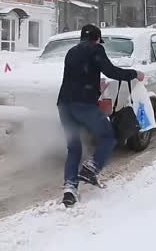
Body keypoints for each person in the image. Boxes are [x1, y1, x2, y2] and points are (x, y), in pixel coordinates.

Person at [57, 25, 144, 206]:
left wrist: (97, 88)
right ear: (96, 39)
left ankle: (70, 188)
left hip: (65, 105)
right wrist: (134, 74)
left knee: (74, 148)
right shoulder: (96, 49)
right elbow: (111, 71)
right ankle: (92, 168)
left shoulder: (71, 52)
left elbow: (78, 77)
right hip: (83, 105)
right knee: (108, 137)